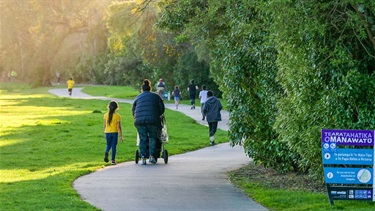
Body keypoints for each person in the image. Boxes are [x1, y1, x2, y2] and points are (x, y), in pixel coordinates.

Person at [132, 79, 165, 165]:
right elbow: (162, 109)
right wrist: (157, 114)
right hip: (153, 120)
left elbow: (133, 110)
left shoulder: (138, 97)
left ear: (142, 89)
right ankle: (152, 156)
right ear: (150, 88)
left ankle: (143, 157)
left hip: (139, 121)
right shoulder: (156, 96)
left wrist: (136, 118)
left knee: (142, 138)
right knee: (153, 137)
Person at [103, 101, 123, 165]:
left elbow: (104, 125)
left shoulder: (105, 115)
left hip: (107, 132)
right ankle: (113, 160)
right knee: (114, 146)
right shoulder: (118, 116)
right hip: (114, 132)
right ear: (116, 108)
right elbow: (119, 127)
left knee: (108, 145)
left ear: (108, 107)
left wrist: (104, 133)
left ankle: (106, 152)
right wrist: (120, 136)